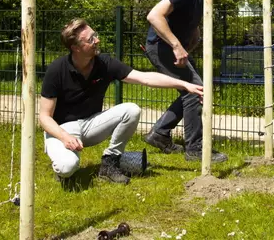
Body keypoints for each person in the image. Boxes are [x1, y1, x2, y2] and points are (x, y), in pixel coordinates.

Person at [39, 18, 204, 186]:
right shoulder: (56, 70)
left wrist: (184, 84)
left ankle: (110, 162)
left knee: (131, 110)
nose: (97, 40)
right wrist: (64, 136)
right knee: (67, 167)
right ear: (76, 48)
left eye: (95, 35)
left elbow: (144, 78)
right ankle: (62, 167)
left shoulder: (104, 63)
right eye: (91, 39)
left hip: (91, 124)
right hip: (62, 129)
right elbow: (44, 117)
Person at [143, 0, 230, 163]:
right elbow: (154, 15)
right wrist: (176, 46)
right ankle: (196, 149)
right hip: (161, 47)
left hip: (172, 48)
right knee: (196, 91)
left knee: (190, 91)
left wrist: (191, 43)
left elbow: (193, 24)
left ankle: (160, 134)